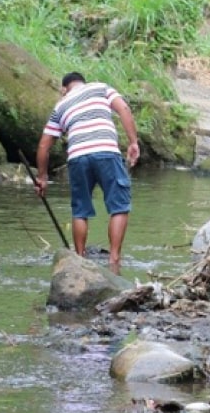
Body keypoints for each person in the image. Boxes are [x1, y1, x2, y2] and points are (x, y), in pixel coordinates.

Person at [35, 72, 140, 275]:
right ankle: (114, 259)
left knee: (80, 210)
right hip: (106, 151)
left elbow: (43, 146)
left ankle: (79, 258)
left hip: (77, 158)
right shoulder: (100, 87)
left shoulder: (61, 105)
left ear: (64, 88)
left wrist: (42, 177)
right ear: (82, 82)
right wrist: (133, 142)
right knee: (119, 206)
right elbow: (123, 109)